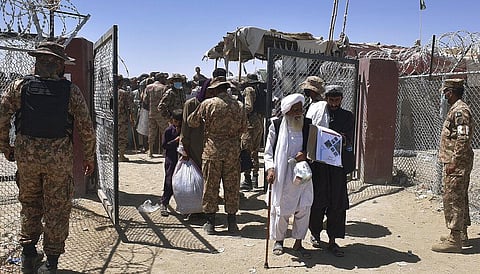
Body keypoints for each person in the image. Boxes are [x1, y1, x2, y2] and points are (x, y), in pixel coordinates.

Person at [0, 41, 96, 273]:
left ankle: (28, 255)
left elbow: (2, 115)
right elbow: (86, 127)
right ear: (60, 65)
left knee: (30, 204)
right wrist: (89, 157)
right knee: (57, 209)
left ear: (38, 62)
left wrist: (6, 146)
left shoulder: (20, 86)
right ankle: (51, 263)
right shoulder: (70, 91)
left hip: (27, 158)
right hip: (58, 161)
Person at [187, 76, 247, 235]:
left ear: (214, 90)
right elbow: (244, 128)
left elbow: (192, 122)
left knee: (211, 187)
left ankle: (210, 222)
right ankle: (232, 223)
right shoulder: (240, 106)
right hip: (232, 152)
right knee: (232, 186)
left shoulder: (208, 104)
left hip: (212, 151)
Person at [264, 93, 313, 258]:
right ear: (286, 111)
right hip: (283, 174)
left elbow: (314, 148)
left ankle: (298, 242)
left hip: (303, 173)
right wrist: (270, 168)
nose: (299, 112)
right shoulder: (276, 125)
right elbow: (268, 150)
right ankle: (279, 240)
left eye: (301, 109)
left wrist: (306, 154)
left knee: (303, 207)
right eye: (295, 110)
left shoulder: (307, 125)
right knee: (282, 209)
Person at [308, 84, 354, 257]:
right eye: (331, 100)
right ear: (326, 99)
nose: (334, 104)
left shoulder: (347, 116)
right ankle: (315, 233)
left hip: (337, 167)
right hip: (320, 166)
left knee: (337, 203)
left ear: (341, 99)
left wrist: (341, 139)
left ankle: (333, 239)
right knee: (318, 201)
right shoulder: (318, 113)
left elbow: (348, 138)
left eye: (337, 100)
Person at [432, 78, 474, 253]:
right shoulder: (457, 109)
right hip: (456, 161)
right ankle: (461, 233)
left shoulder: (460, 111)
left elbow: (463, 139)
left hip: (456, 162)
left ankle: (454, 239)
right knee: (459, 196)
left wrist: (454, 161)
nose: (444, 95)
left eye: (445, 92)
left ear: (451, 92)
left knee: (453, 198)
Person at [240, 73, 264, 191]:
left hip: (250, 124)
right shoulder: (259, 90)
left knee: (246, 151)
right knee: (255, 151)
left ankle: (247, 179)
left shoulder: (249, 90)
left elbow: (248, 107)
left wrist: (238, 108)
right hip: (259, 122)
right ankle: (255, 178)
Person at [159, 109, 183, 217]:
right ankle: (164, 203)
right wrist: (175, 141)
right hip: (171, 159)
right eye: (176, 121)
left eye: (179, 121)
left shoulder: (184, 130)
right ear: (172, 120)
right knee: (169, 181)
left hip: (182, 159)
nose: (177, 123)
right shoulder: (169, 130)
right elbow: (164, 145)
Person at [144, 72, 169, 158]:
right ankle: (164, 151)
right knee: (164, 132)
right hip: (161, 114)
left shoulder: (148, 87)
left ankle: (150, 151)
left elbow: (144, 100)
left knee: (151, 132)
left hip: (151, 113)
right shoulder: (164, 88)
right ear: (161, 78)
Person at [118, 76, 135, 162]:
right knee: (122, 136)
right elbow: (129, 106)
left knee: (113, 136)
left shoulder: (109, 92)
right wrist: (132, 117)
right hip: (122, 118)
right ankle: (121, 155)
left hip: (111, 118)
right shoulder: (123, 93)